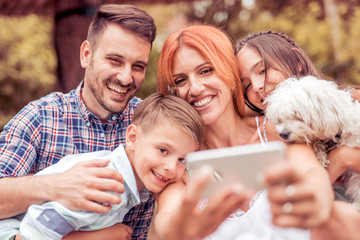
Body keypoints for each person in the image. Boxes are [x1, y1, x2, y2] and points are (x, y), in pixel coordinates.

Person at [150, 25, 333, 240]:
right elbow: (167, 220)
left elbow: (312, 172)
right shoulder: (177, 165)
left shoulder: (276, 129)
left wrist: (319, 196)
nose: (195, 88)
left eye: (206, 70)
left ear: (228, 70)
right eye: (181, 80)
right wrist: (177, 230)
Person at [0, 4, 157, 239]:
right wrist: (55, 185)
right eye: (115, 60)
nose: (126, 77)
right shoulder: (40, 117)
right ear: (86, 55)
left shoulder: (150, 123)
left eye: (138, 66)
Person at [0, 92, 204, 240]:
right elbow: (35, 229)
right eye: (163, 150)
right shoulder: (105, 184)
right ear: (132, 137)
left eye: (182, 159)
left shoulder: (127, 178)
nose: (171, 167)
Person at [235, 30, 360, 240]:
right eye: (246, 84)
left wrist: (344, 158)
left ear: (297, 61)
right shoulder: (269, 135)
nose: (256, 86)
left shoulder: (352, 102)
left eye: (263, 70)